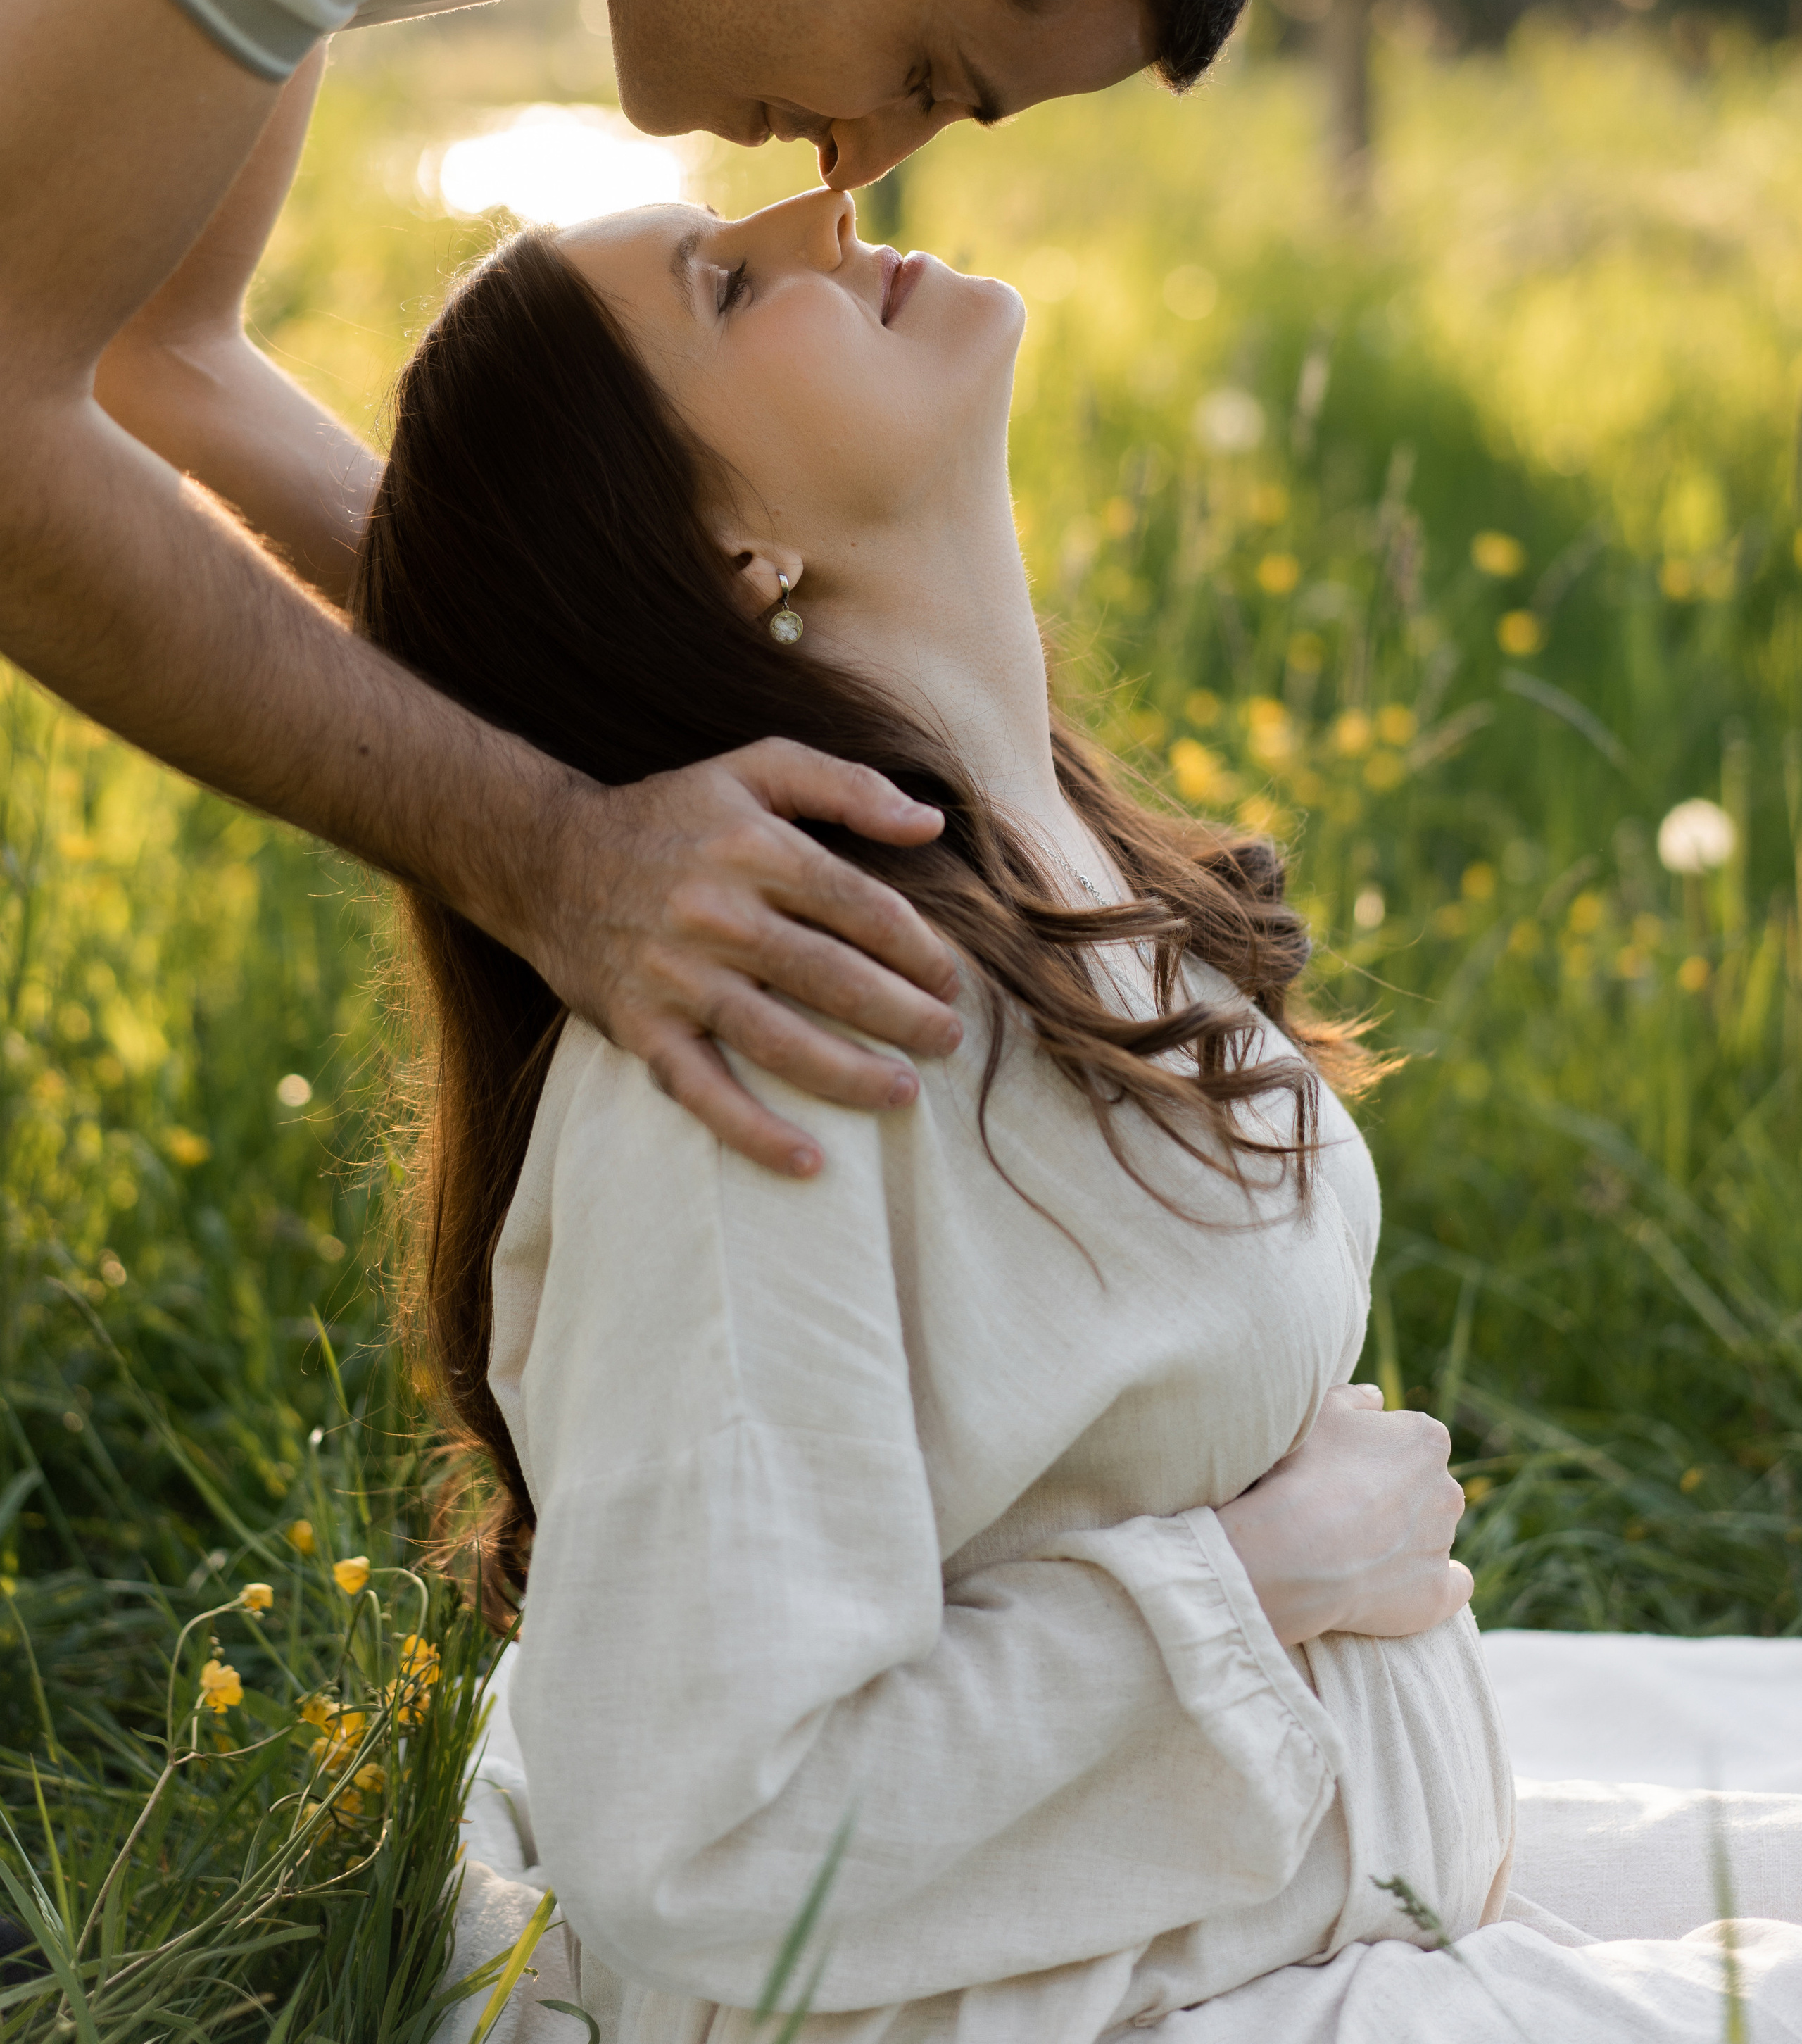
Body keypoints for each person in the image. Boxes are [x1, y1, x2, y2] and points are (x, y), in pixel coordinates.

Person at [358, 192, 1802, 2043]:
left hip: (1281, 1905)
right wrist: (1257, 1584)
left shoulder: (1042, 873)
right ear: (727, 557)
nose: (817, 201)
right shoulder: (756, 1054)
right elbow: (710, 1844)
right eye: (728, 284)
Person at [0, 0, 1278, 1167]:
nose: (861, 167)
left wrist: (626, 697)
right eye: (924, 73)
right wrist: (553, 857)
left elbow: (162, 348)